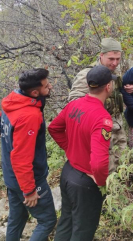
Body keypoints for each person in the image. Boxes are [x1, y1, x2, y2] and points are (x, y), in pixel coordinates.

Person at [48, 65, 114, 241]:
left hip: (68, 172)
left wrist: (69, 149)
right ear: (108, 87)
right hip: (85, 182)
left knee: (66, 222)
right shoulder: (102, 118)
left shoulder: (74, 105)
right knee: (82, 232)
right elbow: (99, 163)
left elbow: (54, 128)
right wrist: (100, 181)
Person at [0, 68, 57, 241]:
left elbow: (0, 128)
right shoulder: (29, 115)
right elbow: (21, 157)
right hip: (28, 179)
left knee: (17, 219)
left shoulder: (11, 102)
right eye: (46, 86)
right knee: (47, 221)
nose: (50, 87)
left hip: (11, 177)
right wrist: (29, 190)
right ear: (35, 92)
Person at [68, 38, 126, 173]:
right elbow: (73, 104)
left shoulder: (114, 73)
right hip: (99, 131)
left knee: (122, 166)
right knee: (106, 169)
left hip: (118, 128)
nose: (115, 63)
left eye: (118, 59)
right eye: (111, 59)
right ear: (101, 55)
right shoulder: (87, 75)